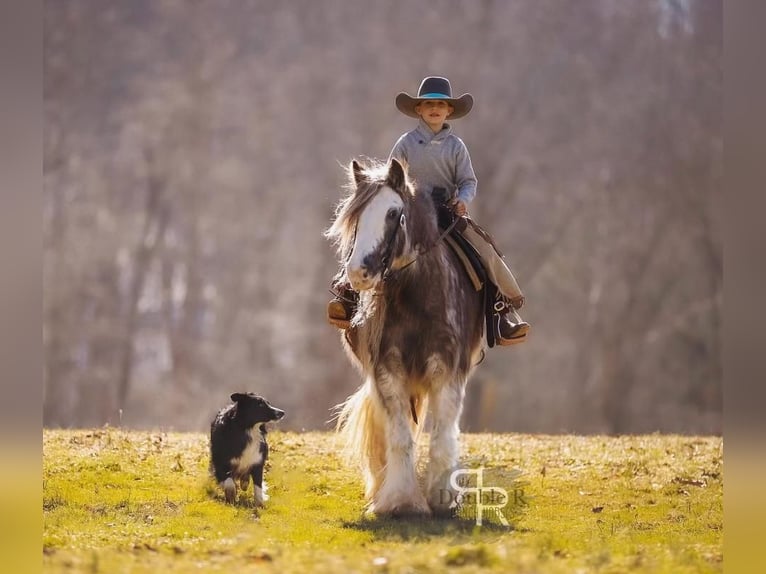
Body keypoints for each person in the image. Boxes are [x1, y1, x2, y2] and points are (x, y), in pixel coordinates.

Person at [328, 76, 530, 346]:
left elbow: (468, 181)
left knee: (484, 249)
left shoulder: (456, 147)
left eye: (441, 104)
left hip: (445, 210)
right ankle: (347, 295)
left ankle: (501, 313)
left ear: (449, 111)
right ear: (419, 110)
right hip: (408, 210)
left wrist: (463, 198)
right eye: (428, 103)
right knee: (368, 234)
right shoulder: (406, 143)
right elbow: (391, 179)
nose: (435, 108)